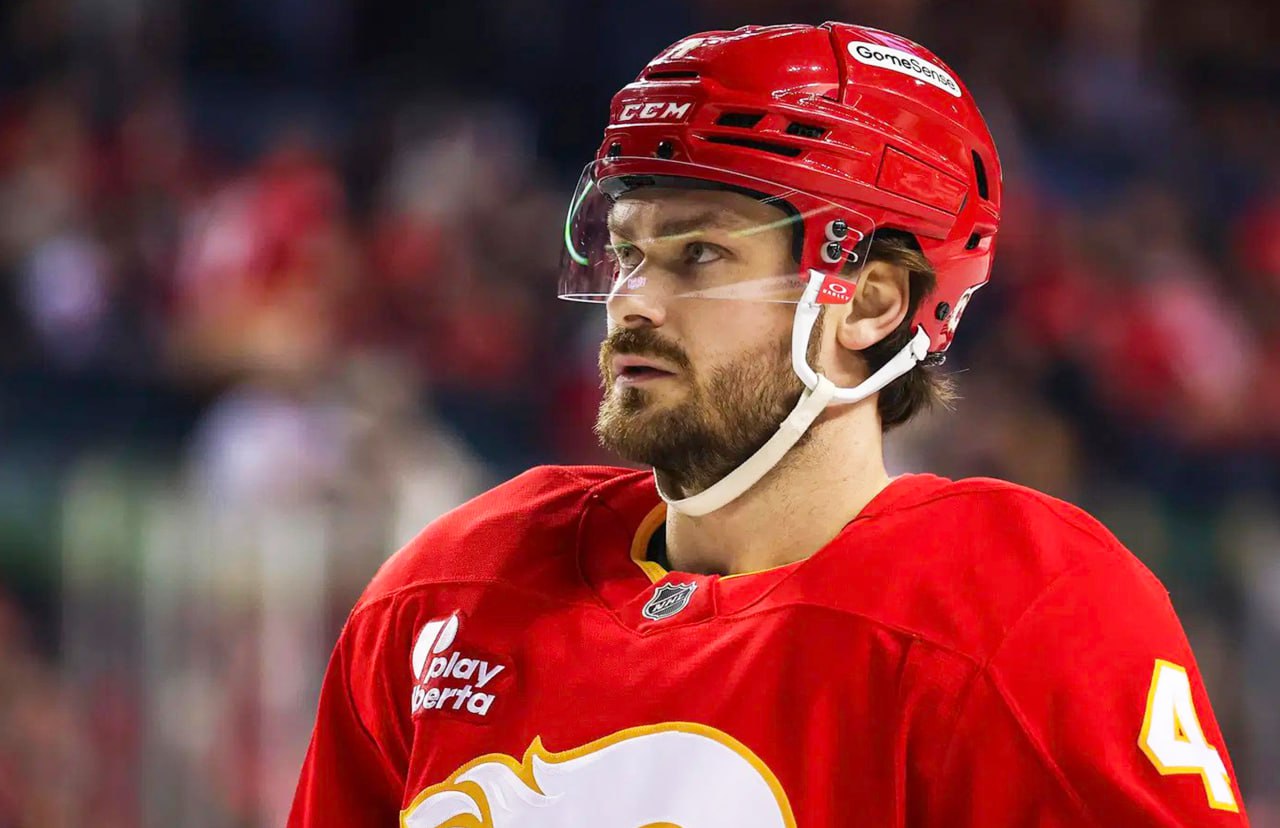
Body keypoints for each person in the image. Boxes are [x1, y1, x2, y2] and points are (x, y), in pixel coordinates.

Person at [290, 23, 1250, 827]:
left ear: (870, 301)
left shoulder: (1018, 618)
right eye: (628, 251)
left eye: (699, 254)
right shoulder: (451, 590)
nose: (632, 301)